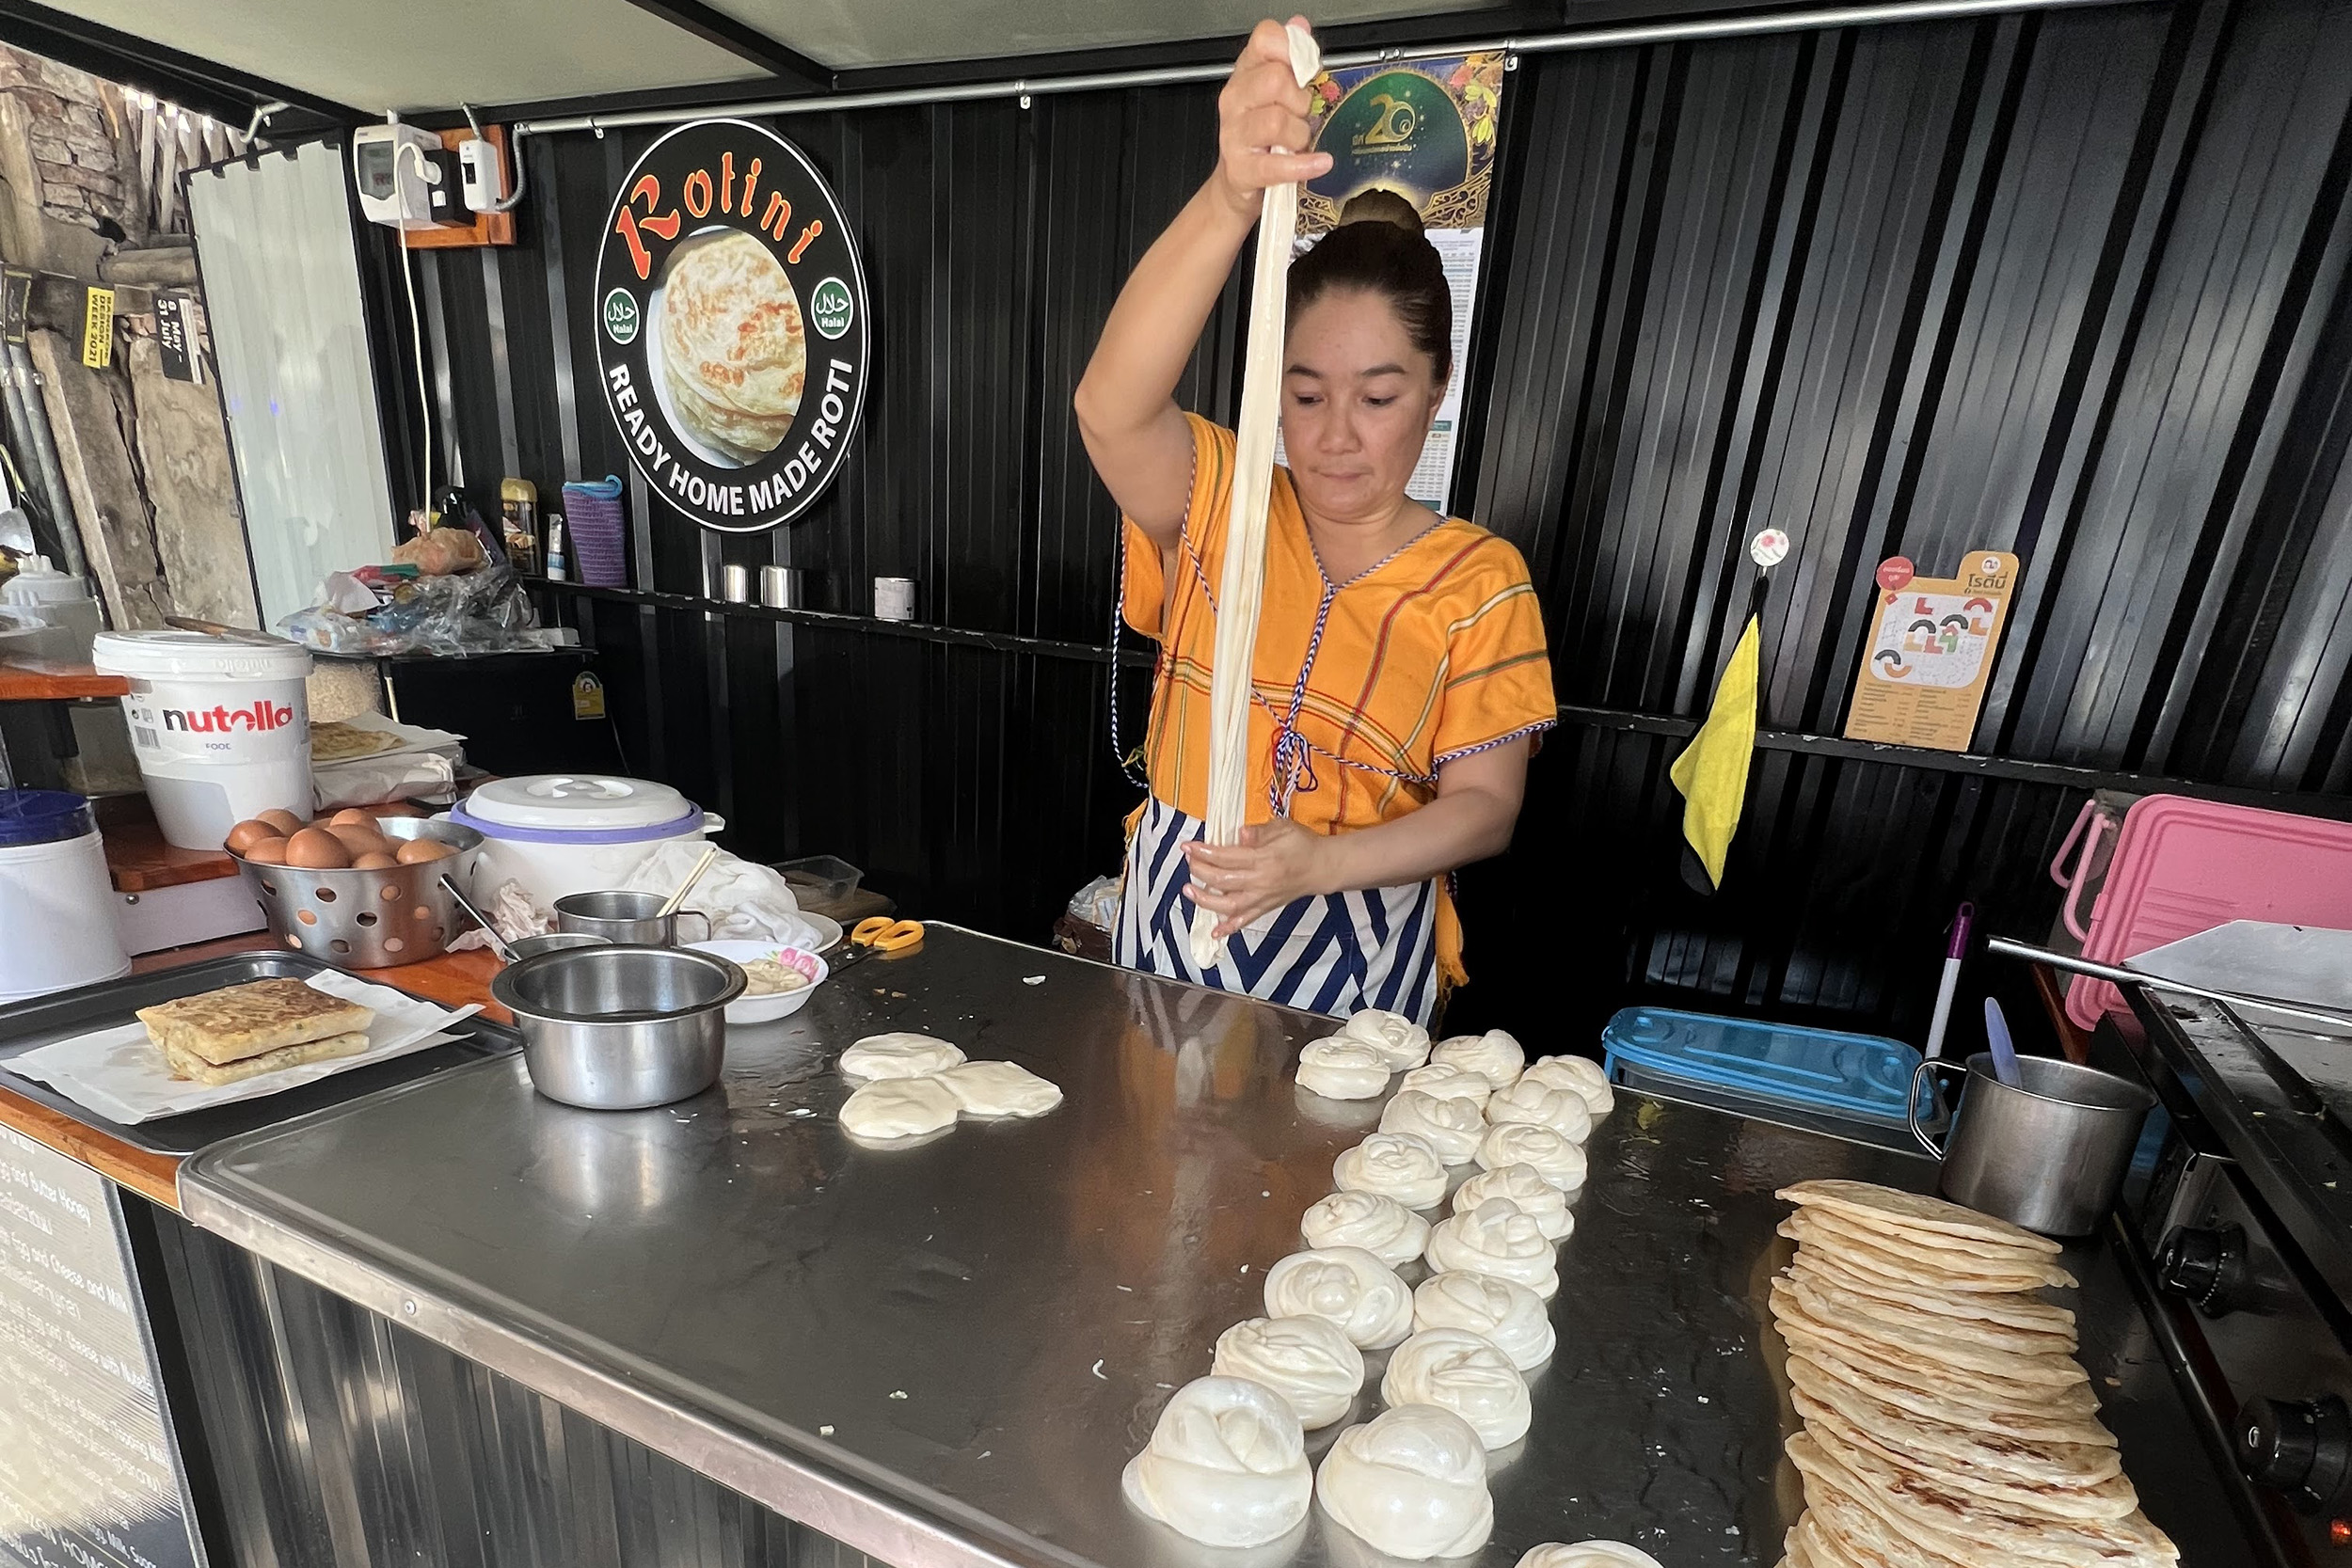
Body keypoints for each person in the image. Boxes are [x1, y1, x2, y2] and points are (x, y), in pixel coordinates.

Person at [1074, 17, 1556, 1024]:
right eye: (1303, 394)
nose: (1336, 436)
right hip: (1174, 908)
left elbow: (1485, 807)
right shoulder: (1225, 500)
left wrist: (1320, 862)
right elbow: (1107, 408)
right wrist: (1229, 196)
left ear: (1436, 391)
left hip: (1359, 936)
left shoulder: (1479, 580)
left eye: (1378, 397)